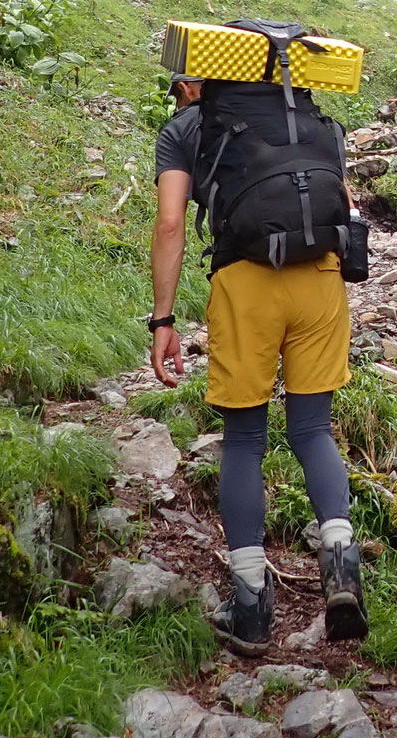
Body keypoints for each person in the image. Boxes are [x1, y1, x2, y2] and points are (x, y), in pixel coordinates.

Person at [148, 74, 366, 653]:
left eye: (177, 89)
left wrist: (162, 320)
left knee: (245, 440)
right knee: (313, 429)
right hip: (320, 278)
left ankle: (250, 611)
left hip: (246, 283)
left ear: (194, 85)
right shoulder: (306, 119)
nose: (178, 99)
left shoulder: (183, 131)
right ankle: (342, 569)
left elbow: (170, 223)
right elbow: (341, 203)